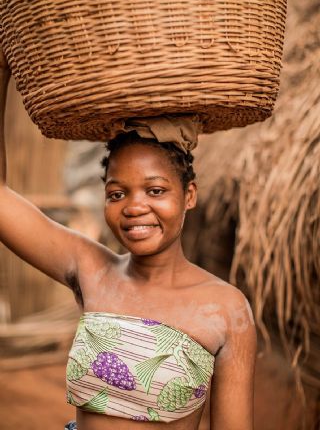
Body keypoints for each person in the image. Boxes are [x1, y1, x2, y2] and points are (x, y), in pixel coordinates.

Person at [0, 97, 257, 429]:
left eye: (155, 190)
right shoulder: (91, 269)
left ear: (188, 195)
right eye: (117, 194)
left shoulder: (227, 310)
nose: (134, 207)